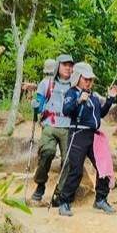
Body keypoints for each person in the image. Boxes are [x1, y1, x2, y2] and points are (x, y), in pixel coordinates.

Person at [58, 62, 117, 216]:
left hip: (94, 136)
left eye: (91, 79)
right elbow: (66, 110)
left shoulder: (93, 96)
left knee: (103, 168)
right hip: (78, 134)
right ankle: (64, 202)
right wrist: (79, 99)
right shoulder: (72, 93)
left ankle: (100, 199)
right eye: (86, 79)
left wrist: (110, 99)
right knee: (76, 170)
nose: (89, 82)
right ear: (78, 77)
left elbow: (101, 114)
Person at [30, 54, 74, 203]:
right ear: (58, 66)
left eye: (70, 65)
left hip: (68, 126)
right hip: (49, 124)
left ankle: (60, 193)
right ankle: (40, 184)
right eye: (65, 65)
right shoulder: (46, 83)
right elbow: (40, 103)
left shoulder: (74, 85)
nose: (68, 68)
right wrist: (36, 106)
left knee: (68, 160)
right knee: (47, 152)